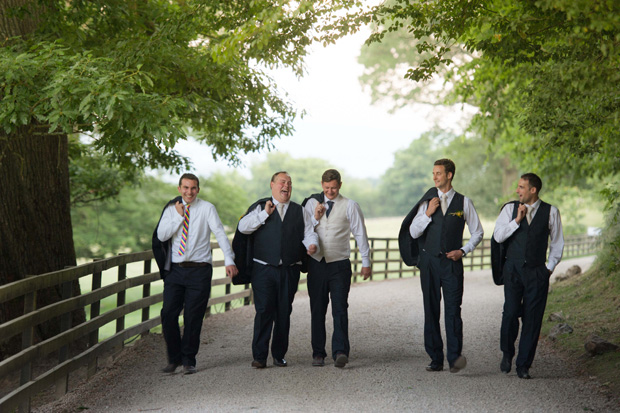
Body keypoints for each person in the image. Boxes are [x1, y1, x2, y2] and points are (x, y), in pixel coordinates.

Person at [403, 159, 484, 373]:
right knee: (431, 310)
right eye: (433, 173)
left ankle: (455, 359)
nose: (434, 177)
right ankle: (435, 358)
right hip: (429, 263)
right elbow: (412, 232)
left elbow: (478, 232)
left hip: (452, 264)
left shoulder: (464, 203)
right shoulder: (427, 202)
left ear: (449, 175)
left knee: (453, 311)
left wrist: (463, 251)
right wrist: (428, 214)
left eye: (438, 173)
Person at [153, 173, 238, 375]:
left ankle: (189, 360)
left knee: (193, 316)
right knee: (168, 314)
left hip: (199, 270)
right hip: (175, 270)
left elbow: (219, 233)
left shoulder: (207, 208)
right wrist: (179, 216)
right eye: (185, 187)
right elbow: (161, 235)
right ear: (179, 188)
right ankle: (174, 358)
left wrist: (229, 259)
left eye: (193, 188)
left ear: (198, 189)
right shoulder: (170, 209)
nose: (189, 192)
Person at [237, 171, 319, 368]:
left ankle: (279, 355)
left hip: (289, 270)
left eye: (290, 183)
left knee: (284, 312)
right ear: (272, 185)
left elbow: (309, 233)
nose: (287, 186)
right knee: (264, 310)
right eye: (283, 182)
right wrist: (265, 213)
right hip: (263, 270)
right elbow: (242, 227)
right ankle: (259, 356)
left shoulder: (300, 211)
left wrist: (312, 245)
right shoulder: (260, 207)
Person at [493, 173, 564, 379]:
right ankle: (507, 352)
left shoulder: (551, 212)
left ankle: (523, 365)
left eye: (522, 187)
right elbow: (498, 236)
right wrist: (517, 220)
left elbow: (557, 244)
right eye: (518, 187)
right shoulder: (509, 209)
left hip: (537, 272)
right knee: (510, 312)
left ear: (533, 190)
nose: (518, 190)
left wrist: (548, 270)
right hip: (513, 270)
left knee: (532, 320)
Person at [302, 169, 372, 368]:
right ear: (321, 185)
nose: (330, 191)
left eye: (333, 187)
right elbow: (305, 229)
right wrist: (316, 217)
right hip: (316, 264)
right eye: (326, 188)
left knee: (340, 309)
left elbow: (360, 234)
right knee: (317, 310)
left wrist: (366, 263)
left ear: (340, 185)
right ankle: (318, 353)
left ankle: (340, 351)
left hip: (339, 264)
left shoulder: (350, 205)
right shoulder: (310, 204)